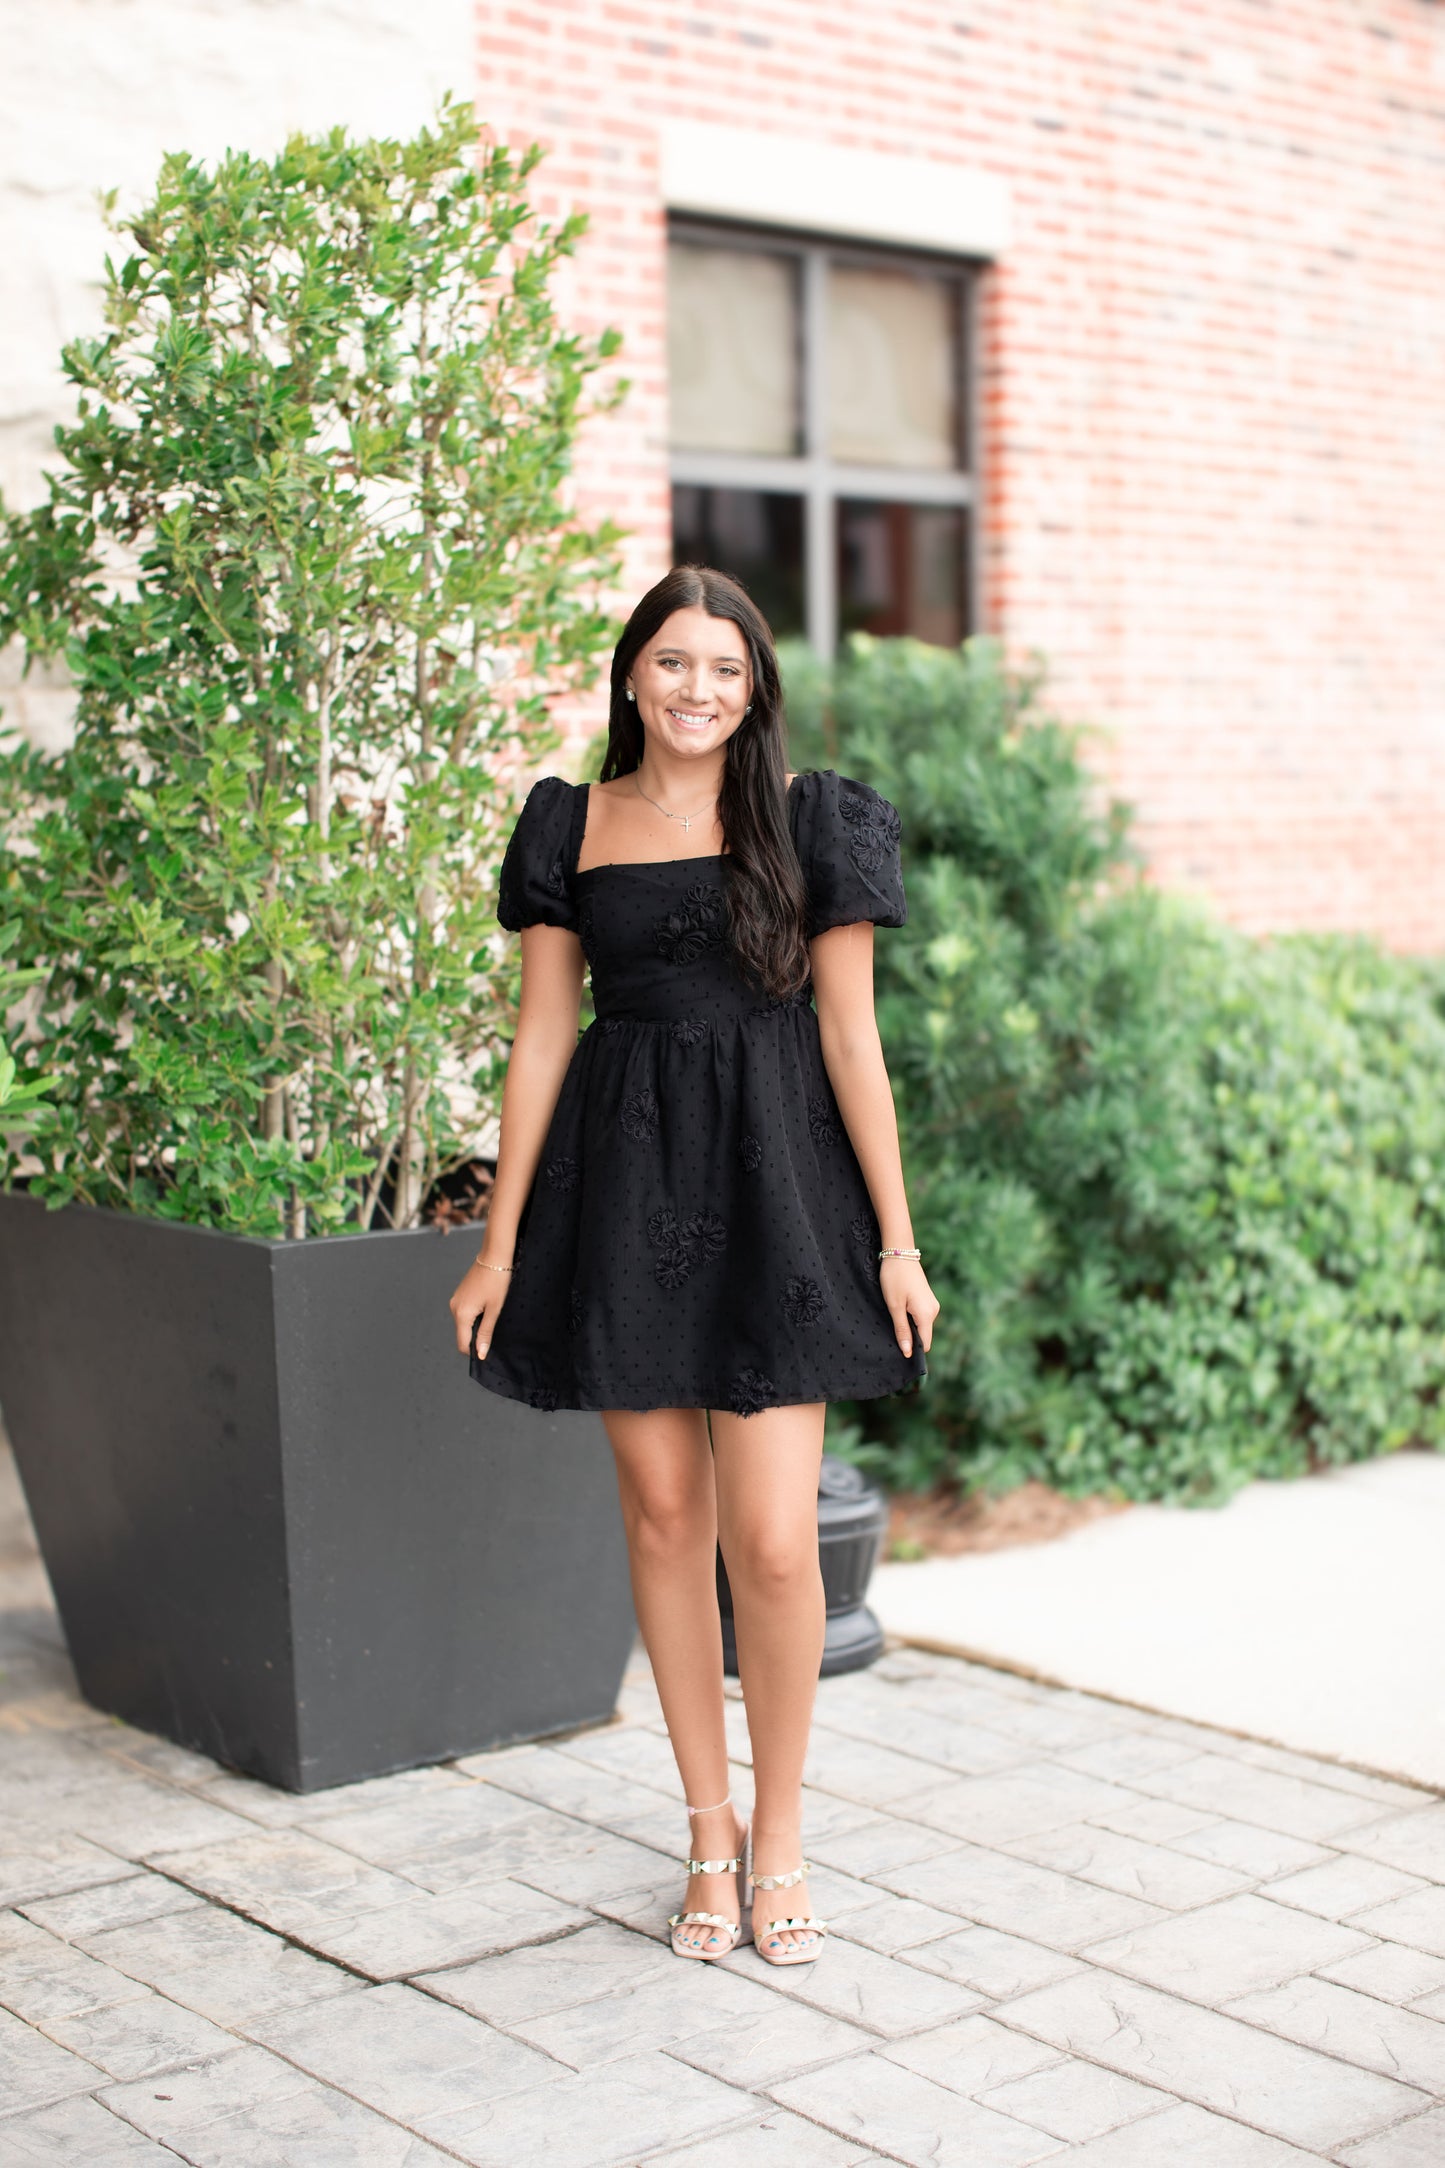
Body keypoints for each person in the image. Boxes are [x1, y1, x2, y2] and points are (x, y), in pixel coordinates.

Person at [449, 564, 938, 1966]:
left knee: (775, 1544)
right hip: (625, 1190)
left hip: (779, 1190)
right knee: (664, 1521)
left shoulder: (807, 822)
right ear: (630, 676)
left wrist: (894, 1243)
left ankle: (781, 1834)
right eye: (672, 664)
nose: (696, 691)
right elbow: (544, 1038)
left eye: (723, 669)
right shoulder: (569, 824)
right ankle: (707, 1833)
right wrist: (499, 1242)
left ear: (753, 687)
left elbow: (851, 1041)